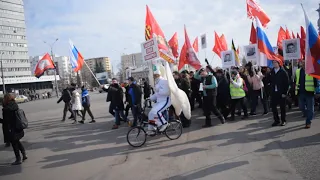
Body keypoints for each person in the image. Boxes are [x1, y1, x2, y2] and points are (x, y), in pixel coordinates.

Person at [2, 93, 27, 165]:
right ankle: (24, 154)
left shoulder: (6, 109)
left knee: (14, 144)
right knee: (17, 141)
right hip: (18, 127)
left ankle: (18, 159)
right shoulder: (15, 105)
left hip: (11, 128)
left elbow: (6, 121)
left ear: (6, 99)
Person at [147, 69, 171, 135]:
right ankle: (152, 128)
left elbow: (166, 92)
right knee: (151, 113)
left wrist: (158, 90)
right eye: (154, 76)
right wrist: (150, 98)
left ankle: (164, 123)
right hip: (159, 101)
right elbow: (157, 94)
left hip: (165, 100)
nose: (154, 77)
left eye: (155, 75)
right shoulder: (158, 82)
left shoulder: (163, 81)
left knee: (156, 112)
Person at [295, 60, 317, 129]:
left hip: (309, 92)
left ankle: (308, 122)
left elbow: (315, 82)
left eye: (305, 63)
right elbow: (296, 81)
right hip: (300, 92)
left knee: (310, 108)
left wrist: (316, 90)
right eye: (302, 63)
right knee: (301, 107)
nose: (303, 64)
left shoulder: (311, 71)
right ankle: (307, 114)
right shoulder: (298, 71)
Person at [269, 60, 289, 126]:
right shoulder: (271, 72)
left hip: (281, 92)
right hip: (274, 92)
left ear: (278, 63)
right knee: (273, 107)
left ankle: (283, 120)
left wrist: (285, 93)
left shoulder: (283, 72)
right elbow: (269, 81)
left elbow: (287, 83)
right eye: (273, 63)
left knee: (282, 107)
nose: (274, 64)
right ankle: (276, 120)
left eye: (275, 62)